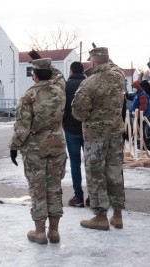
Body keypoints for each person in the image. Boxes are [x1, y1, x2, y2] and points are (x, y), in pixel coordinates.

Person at [9, 58, 67, 244]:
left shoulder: (29, 95)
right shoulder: (60, 93)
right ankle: (55, 231)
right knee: (54, 188)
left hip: (35, 149)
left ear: (34, 75)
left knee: (38, 189)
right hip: (57, 146)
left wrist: (14, 146)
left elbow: (23, 126)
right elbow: (59, 76)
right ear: (50, 74)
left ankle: (40, 231)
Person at [71, 47, 126, 231]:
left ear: (93, 62)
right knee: (115, 173)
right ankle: (117, 215)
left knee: (96, 175)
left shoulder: (89, 83)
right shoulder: (119, 78)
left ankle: (100, 216)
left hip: (95, 136)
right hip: (116, 133)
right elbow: (114, 67)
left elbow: (78, 112)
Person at [63, 61, 87, 208]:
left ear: (71, 71)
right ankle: (93, 196)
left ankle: (78, 196)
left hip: (71, 129)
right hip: (87, 129)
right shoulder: (88, 84)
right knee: (91, 164)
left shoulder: (65, 86)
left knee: (75, 164)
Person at [129, 80, 150, 150]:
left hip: (142, 117)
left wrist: (137, 115)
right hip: (136, 116)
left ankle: (143, 146)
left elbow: (143, 107)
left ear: (138, 87)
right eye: (133, 87)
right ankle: (138, 144)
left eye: (134, 87)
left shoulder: (143, 95)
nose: (133, 88)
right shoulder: (137, 94)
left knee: (141, 131)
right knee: (137, 131)